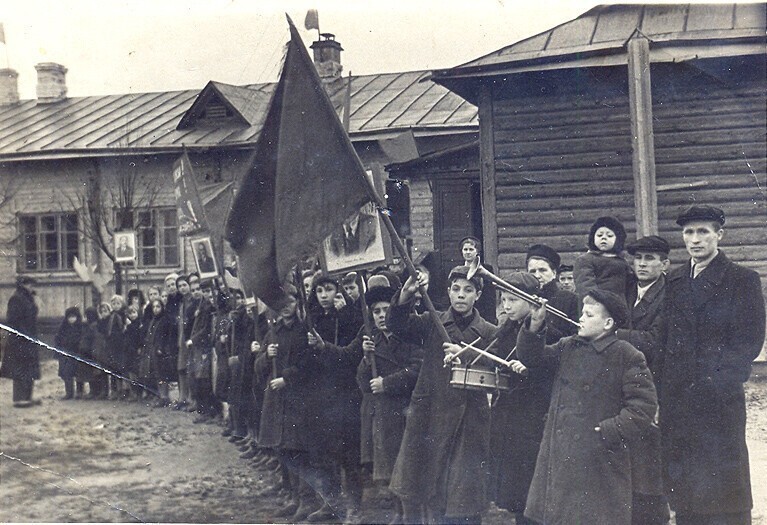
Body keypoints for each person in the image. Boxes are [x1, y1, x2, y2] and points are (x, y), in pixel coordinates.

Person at [659, 205, 766, 525]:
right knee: (686, 488)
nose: (695, 239)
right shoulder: (675, 279)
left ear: (719, 235)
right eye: (688, 232)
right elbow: (666, 340)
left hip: (717, 400)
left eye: (703, 231)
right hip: (678, 398)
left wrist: (716, 382)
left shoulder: (742, 279)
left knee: (723, 484)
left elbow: (748, 341)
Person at [517, 289, 658, 525]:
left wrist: (608, 431)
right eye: (582, 312)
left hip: (599, 460)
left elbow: (643, 408)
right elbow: (532, 359)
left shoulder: (627, 355)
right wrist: (536, 323)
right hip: (561, 459)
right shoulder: (568, 346)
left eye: (589, 315)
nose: (581, 318)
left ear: (608, 323)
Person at [388, 265, 498, 524]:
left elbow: (499, 368)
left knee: (463, 499)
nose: (461, 295)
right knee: (431, 490)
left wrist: (467, 354)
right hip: (431, 418)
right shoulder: (432, 322)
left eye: (468, 290)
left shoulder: (490, 332)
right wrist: (405, 295)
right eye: (456, 289)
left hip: (468, 422)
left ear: (478, 296)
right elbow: (398, 325)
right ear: (448, 292)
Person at [488, 273, 556, 525]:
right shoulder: (506, 330)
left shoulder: (549, 330)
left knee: (535, 489)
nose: (506, 306)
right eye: (504, 299)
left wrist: (529, 370)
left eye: (513, 300)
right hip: (510, 416)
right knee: (518, 493)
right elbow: (494, 355)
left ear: (531, 302)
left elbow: (548, 368)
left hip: (534, 416)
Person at [356, 280, 423, 524]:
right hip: (384, 416)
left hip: (406, 411)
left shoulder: (408, 336)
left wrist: (388, 383)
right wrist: (366, 360)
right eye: (376, 312)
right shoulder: (373, 342)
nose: (382, 316)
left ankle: (410, 515)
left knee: (407, 468)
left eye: (386, 310)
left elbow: (419, 369)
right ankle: (398, 512)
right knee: (390, 468)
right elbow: (364, 384)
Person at [617, 235, 672, 525]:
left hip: (654, 381)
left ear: (664, 263)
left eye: (649, 258)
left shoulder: (668, 295)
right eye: (637, 258)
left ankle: (654, 516)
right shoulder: (628, 289)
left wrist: (612, 333)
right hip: (624, 380)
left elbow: (654, 341)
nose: (642, 264)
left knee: (649, 454)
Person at [255, 286, 322, 522]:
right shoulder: (272, 332)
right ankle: (294, 497)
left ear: (298, 303)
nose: (286, 306)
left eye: (291, 301)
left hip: (298, 399)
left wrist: (288, 378)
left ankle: (307, 499)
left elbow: (311, 364)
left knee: (299, 450)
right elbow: (258, 368)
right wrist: (267, 356)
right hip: (276, 399)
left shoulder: (305, 331)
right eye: (281, 301)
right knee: (283, 448)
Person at [526, 244, 580, 342]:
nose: (537, 275)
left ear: (554, 273)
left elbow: (575, 337)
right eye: (532, 271)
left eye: (542, 270)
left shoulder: (570, 299)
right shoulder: (524, 298)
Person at [573, 216, 634, 301]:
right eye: (599, 235)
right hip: (595, 305)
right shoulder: (586, 259)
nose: (604, 238)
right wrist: (597, 302)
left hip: (620, 306)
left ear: (618, 239)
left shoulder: (622, 262)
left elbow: (631, 287)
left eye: (609, 235)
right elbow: (585, 285)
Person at [1, 276, 40, 407]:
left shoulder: (29, 298)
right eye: (29, 284)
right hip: (20, 340)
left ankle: (28, 397)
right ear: (22, 285)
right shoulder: (16, 298)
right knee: (20, 368)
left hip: (30, 338)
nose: (31, 287)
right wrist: (23, 335)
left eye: (32, 285)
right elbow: (12, 320)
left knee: (30, 368)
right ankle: (19, 399)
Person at [460, 236, 497, 323]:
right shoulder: (458, 269)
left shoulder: (487, 268)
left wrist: (491, 319)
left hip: (482, 311)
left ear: (477, 251)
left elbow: (490, 295)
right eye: (465, 249)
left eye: (471, 249)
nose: (468, 252)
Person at [54, 306, 83, 401]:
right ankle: (69, 393)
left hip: (76, 353)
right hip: (65, 354)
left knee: (79, 373)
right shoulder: (63, 328)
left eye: (73, 317)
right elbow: (58, 339)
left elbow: (80, 340)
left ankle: (79, 392)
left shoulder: (80, 327)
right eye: (69, 317)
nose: (71, 319)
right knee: (66, 374)